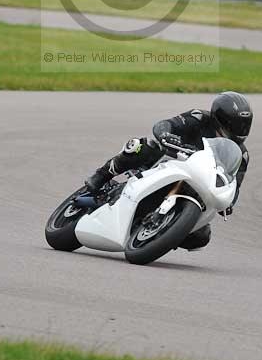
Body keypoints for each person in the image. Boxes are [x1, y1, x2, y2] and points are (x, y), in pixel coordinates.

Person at [85, 91, 252, 250]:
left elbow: (234, 185)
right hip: (170, 159)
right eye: (236, 124)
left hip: (198, 184)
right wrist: (166, 134)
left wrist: (229, 203)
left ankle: (163, 232)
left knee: (202, 237)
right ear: (220, 118)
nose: (240, 130)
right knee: (142, 147)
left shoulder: (240, 154)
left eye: (244, 125)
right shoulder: (199, 117)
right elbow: (166, 124)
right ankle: (101, 176)